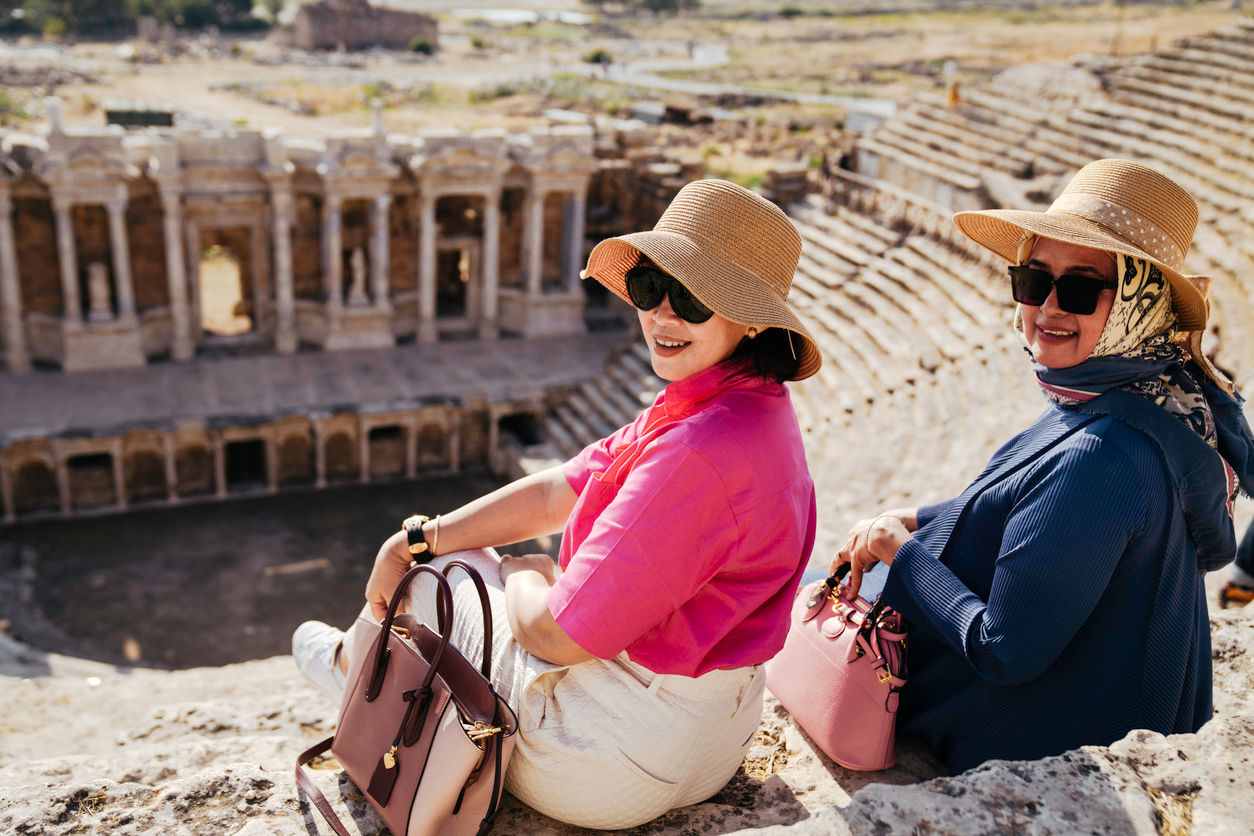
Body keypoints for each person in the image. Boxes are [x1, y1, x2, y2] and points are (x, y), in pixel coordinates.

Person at [293, 179, 821, 829]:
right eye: (652, 288)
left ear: (753, 317)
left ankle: (354, 672)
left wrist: (524, 575)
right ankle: (357, 661)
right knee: (441, 555)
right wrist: (414, 537)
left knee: (444, 582)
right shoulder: (741, 403)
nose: (660, 315)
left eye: (690, 298)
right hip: (711, 738)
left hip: (613, 760)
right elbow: (560, 488)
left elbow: (553, 634)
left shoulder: (700, 451)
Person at [831, 159, 1254, 774]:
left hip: (1045, 738)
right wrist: (922, 517)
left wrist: (904, 551)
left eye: (1081, 288)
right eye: (1033, 280)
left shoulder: (1102, 456)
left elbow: (1004, 649)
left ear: (1140, 304)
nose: (1047, 307)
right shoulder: (1145, 400)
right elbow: (1045, 519)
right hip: (1109, 697)